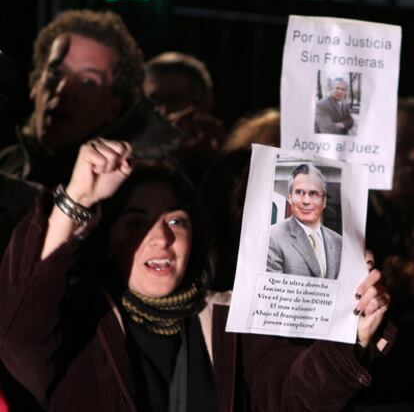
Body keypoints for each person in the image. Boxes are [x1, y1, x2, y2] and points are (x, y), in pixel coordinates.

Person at [0, 138, 393, 411]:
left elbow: (289, 396)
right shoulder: (76, 321)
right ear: (108, 240)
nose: (160, 237)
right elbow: (21, 317)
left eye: (176, 220)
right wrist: (79, 197)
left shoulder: (228, 319)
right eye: (137, 222)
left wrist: (351, 336)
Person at [0, 10, 182, 189]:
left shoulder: (126, 188)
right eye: (56, 72)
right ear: (36, 84)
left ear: (114, 107)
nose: (63, 90)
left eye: (88, 82)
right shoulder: (6, 162)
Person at [144, 51, 226, 184]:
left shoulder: (215, 154)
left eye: (176, 100)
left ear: (203, 103)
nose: (163, 110)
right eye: (153, 101)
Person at [267, 163, 342, 279]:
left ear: (324, 201)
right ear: (290, 198)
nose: (306, 201)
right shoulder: (273, 237)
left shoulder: (339, 242)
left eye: (314, 193)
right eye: (299, 192)